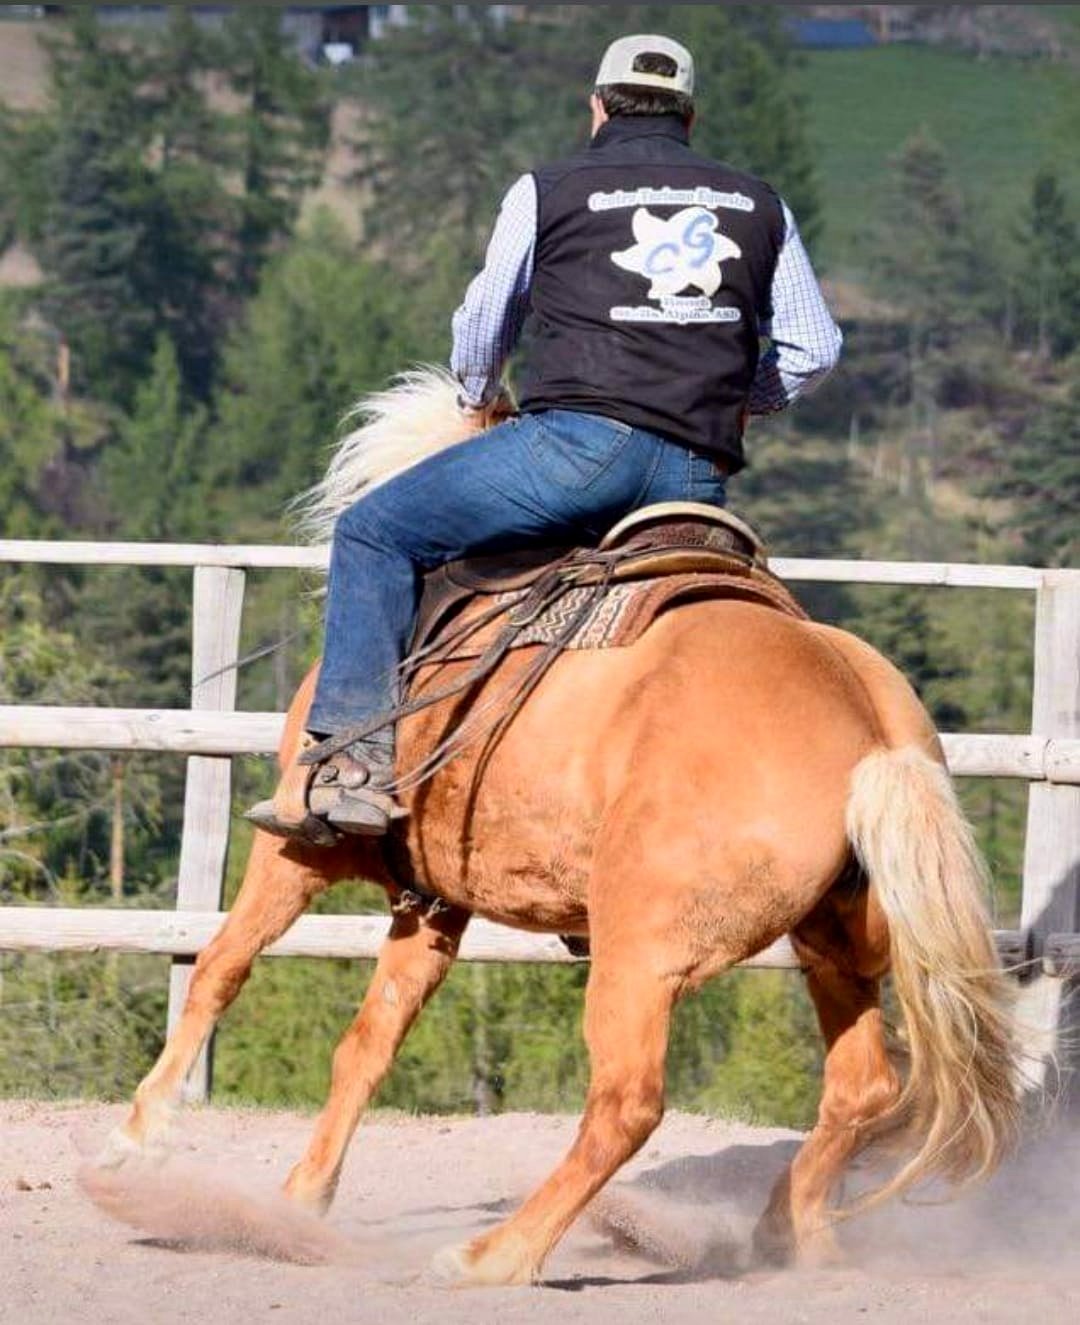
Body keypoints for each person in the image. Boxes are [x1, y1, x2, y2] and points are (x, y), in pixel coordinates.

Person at [251, 33, 842, 843]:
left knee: (374, 531)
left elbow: (485, 319)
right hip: (696, 478)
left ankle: (351, 764)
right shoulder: (758, 202)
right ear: (690, 118)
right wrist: (743, 403)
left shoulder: (549, 188)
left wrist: (475, 394)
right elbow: (816, 348)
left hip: (573, 451)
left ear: (597, 106)